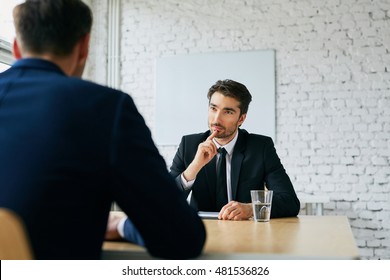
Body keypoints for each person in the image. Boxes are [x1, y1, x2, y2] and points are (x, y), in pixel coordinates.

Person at [0, 0, 205, 260]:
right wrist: (120, 225)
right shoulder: (105, 108)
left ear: (17, 47)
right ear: (84, 47)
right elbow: (182, 238)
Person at [112, 79, 300, 240]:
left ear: (241, 118)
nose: (216, 119)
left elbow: (290, 201)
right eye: (213, 108)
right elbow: (164, 200)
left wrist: (250, 209)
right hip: (201, 234)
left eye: (227, 112)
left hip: (246, 234)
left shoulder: (261, 147)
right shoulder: (189, 144)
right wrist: (195, 166)